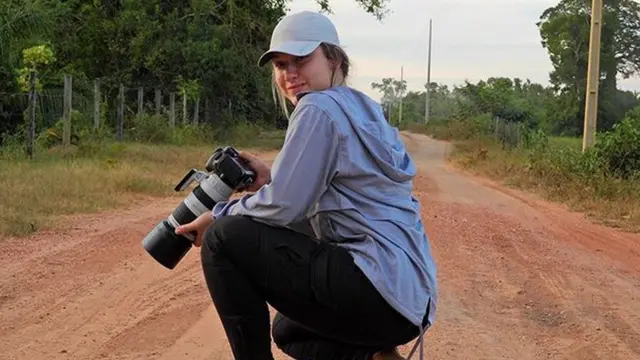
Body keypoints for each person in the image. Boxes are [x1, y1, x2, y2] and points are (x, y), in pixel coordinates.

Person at [175, 10, 438, 360]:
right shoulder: (361, 106)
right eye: (281, 65)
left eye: (301, 59)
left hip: (377, 289)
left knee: (224, 237)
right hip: (410, 303)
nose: (290, 74)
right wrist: (270, 181)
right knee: (289, 330)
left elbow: (284, 207)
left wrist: (218, 215)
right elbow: (316, 204)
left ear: (333, 57)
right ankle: (375, 357)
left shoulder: (317, 107)